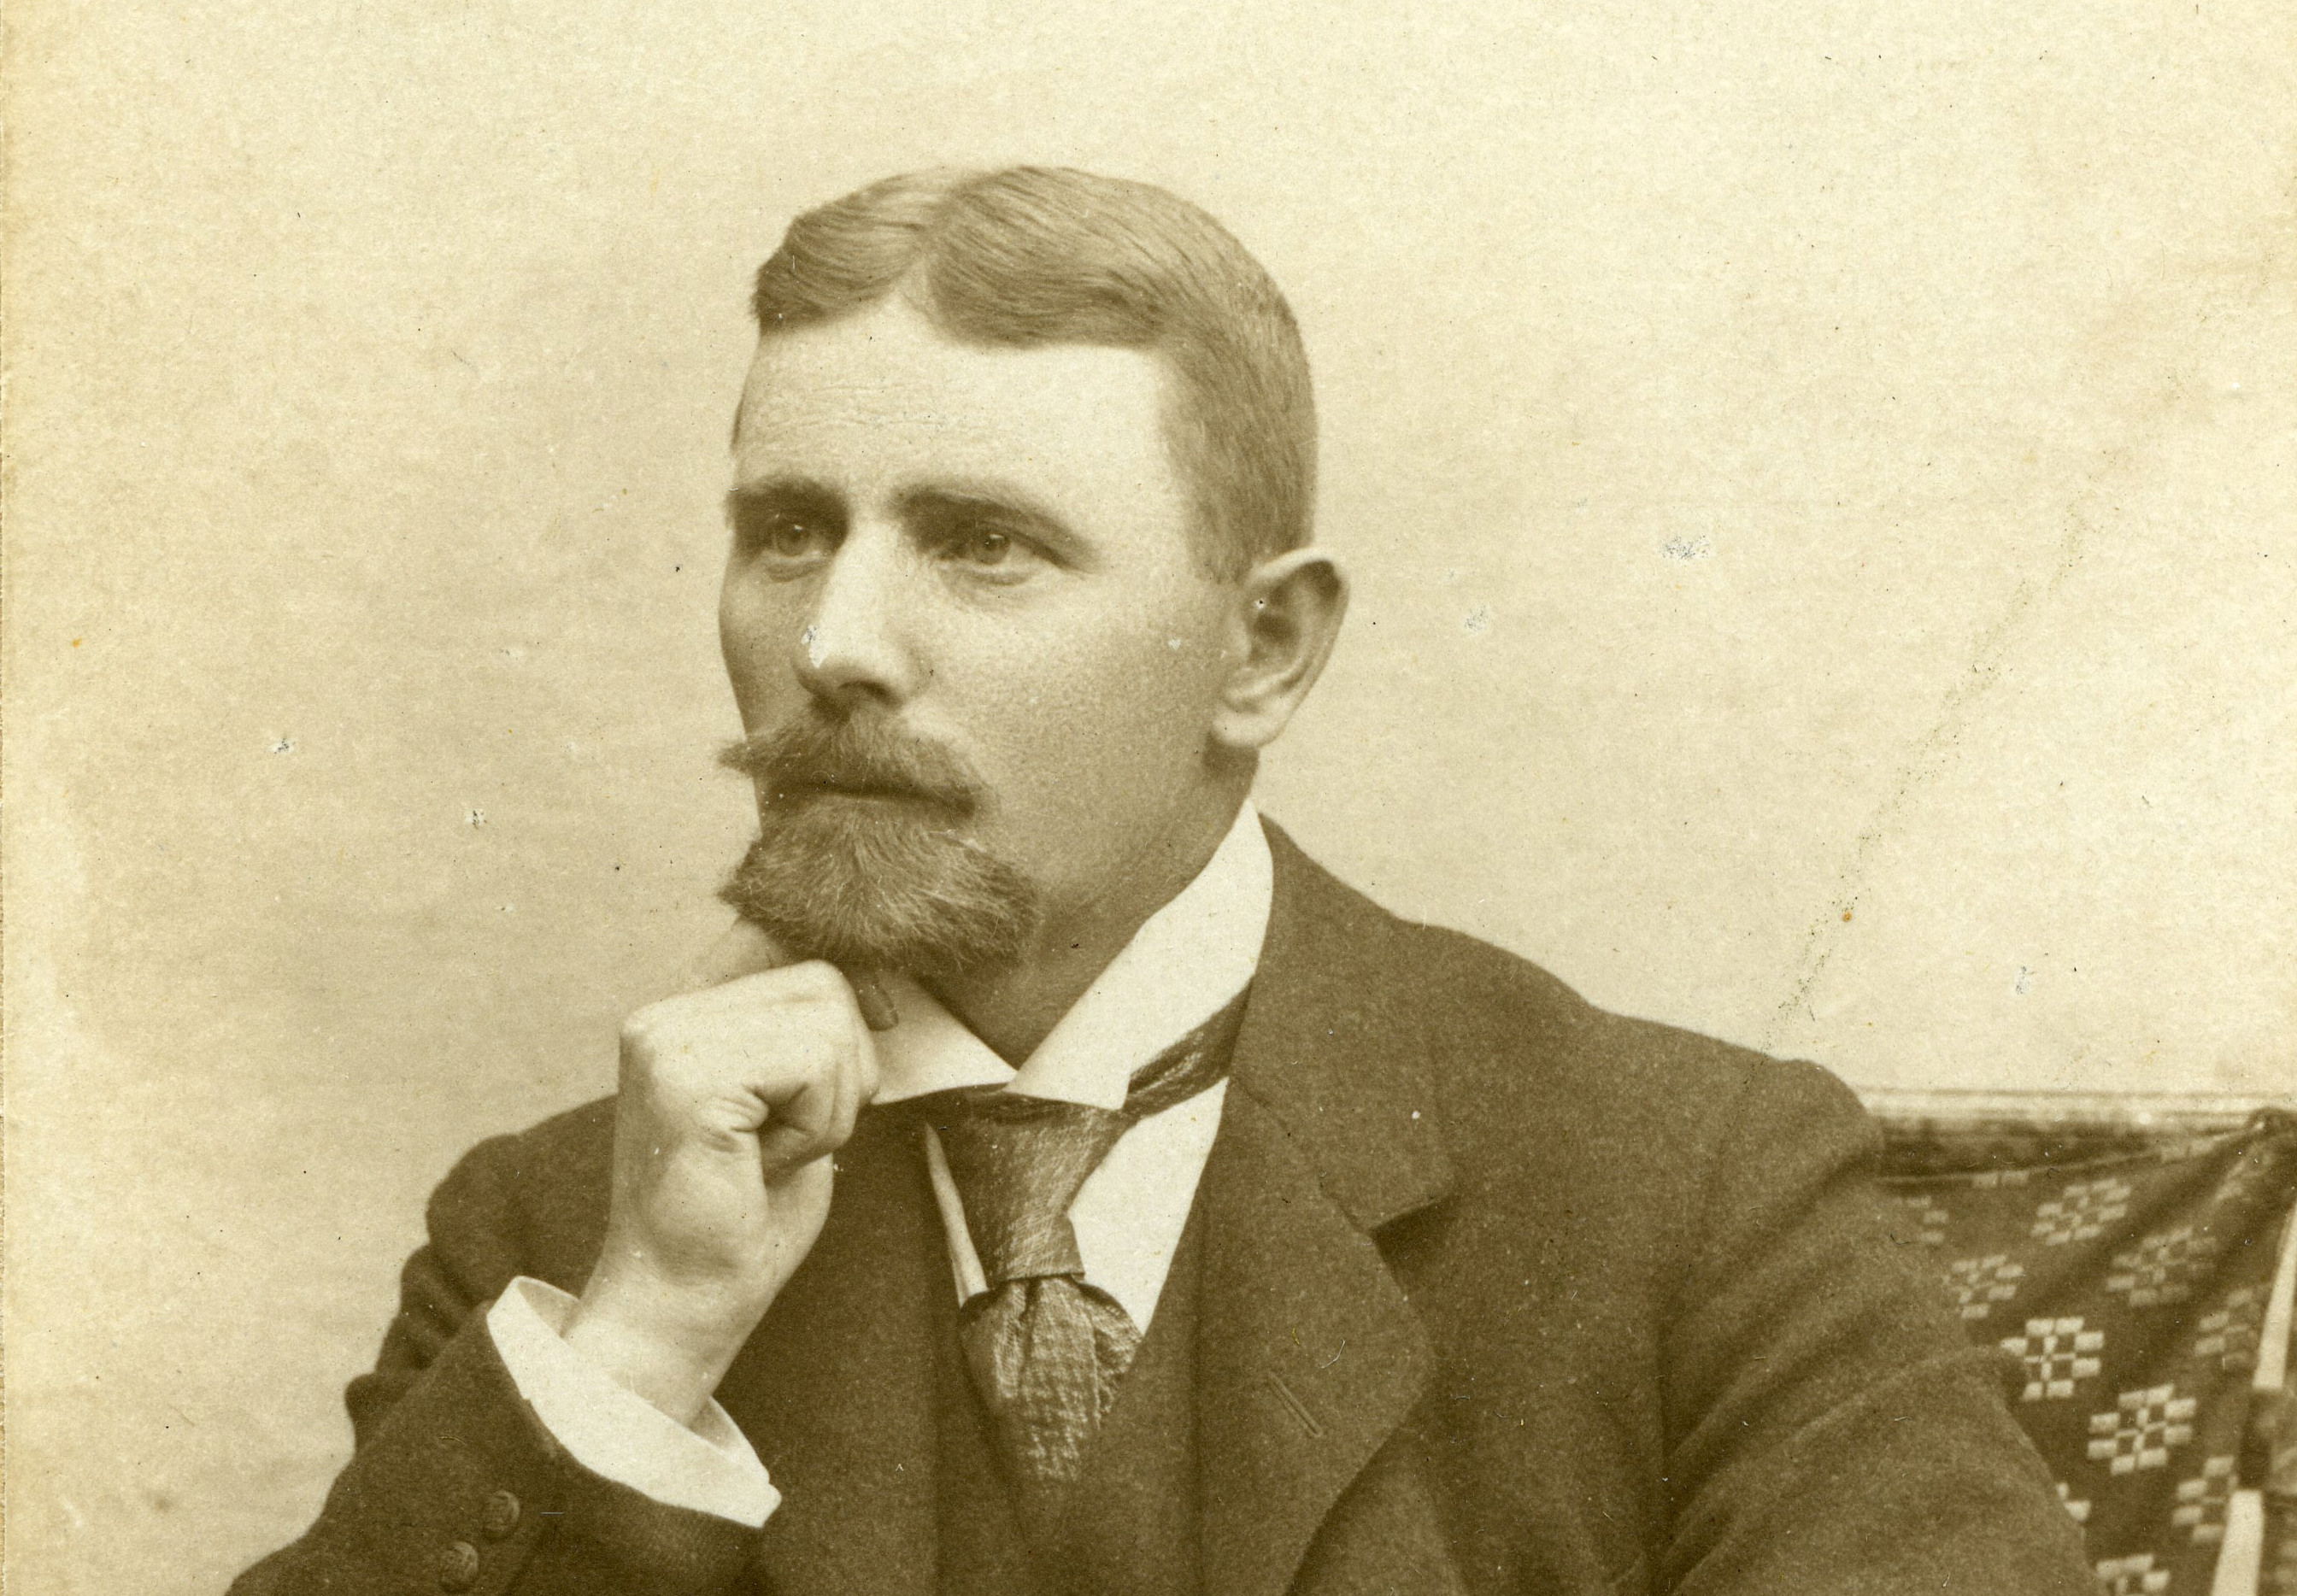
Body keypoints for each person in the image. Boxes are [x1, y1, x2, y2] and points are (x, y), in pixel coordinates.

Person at [233, 167, 2094, 1596]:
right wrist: (645, 1343)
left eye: (982, 544)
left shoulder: (1688, 1194)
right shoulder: (565, 1240)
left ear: (1261, 650)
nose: (834, 644)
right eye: (788, 532)